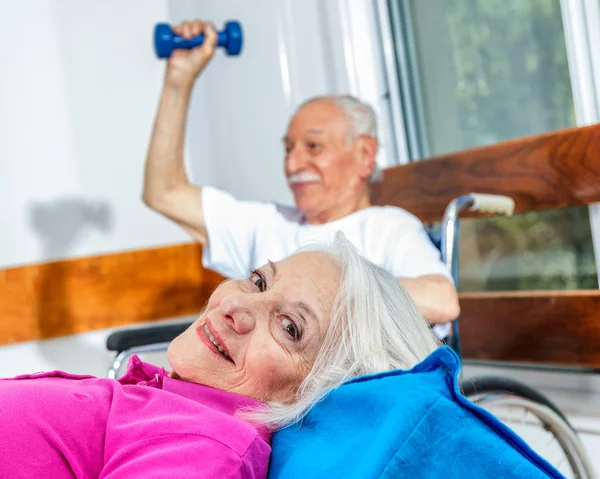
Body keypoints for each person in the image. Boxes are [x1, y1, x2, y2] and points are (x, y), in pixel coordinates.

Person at [0, 233, 440, 478]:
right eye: (258, 281)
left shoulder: (208, 446)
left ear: (322, 388)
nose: (236, 307)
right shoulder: (178, 405)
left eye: (289, 328)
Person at [143, 19, 460, 334]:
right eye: (288, 149)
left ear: (364, 155)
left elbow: (441, 300)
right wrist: (179, 80)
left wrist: (322, 291)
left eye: (313, 146)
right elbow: (164, 192)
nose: (293, 164)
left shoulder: (387, 227)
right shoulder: (269, 223)